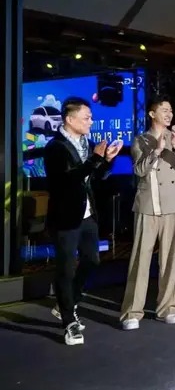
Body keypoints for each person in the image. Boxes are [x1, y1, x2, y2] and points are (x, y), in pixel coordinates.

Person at [44, 97, 121, 346]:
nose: (91, 121)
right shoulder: (55, 147)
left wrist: (107, 160)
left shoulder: (87, 144)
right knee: (66, 268)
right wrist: (95, 160)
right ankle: (69, 322)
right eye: (86, 117)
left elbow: (94, 177)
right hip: (65, 217)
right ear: (70, 119)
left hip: (88, 215)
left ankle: (67, 302)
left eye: (90, 117)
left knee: (92, 260)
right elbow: (65, 181)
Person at [119, 97, 175, 331]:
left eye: (171, 110)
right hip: (148, 204)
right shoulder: (140, 140)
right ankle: (132, 312)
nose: (169, 114)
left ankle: (168, 309)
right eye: (164, 110)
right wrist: (157, 151)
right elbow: (139, 170)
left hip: (174, 204)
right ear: (152, 114)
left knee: (172, 259)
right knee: (140, 259)